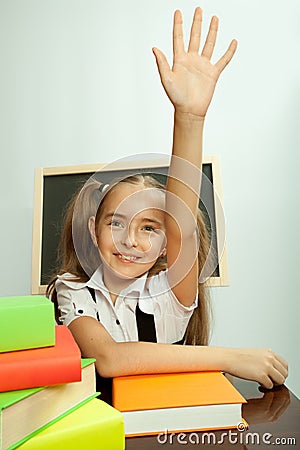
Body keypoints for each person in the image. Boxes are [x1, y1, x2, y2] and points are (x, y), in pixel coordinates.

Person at [47, 7, 288, 390]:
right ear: (93, 231)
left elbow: (182, 223)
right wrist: (230, 356)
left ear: (165, 246)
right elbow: (108, 359)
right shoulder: (73, 290)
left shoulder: (171, 294)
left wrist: (189, 118)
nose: (131, 240)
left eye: (149, 227)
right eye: (116, 223)